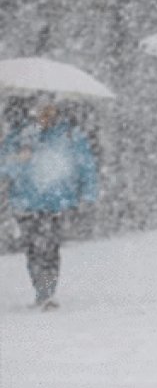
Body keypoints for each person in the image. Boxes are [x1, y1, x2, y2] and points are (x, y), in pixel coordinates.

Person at [0, 98, 99, 310]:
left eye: (49, 108)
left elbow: (86, 166)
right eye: (40, 108)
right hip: (26, 202)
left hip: (57, 202)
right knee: (33, 249)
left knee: (49, 247)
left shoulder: (70, 135)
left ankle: (47, 292)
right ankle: (41, 290)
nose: (45, 113)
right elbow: (3, 168)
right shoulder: (19, 136)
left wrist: (88, 195)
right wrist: (18, 159)